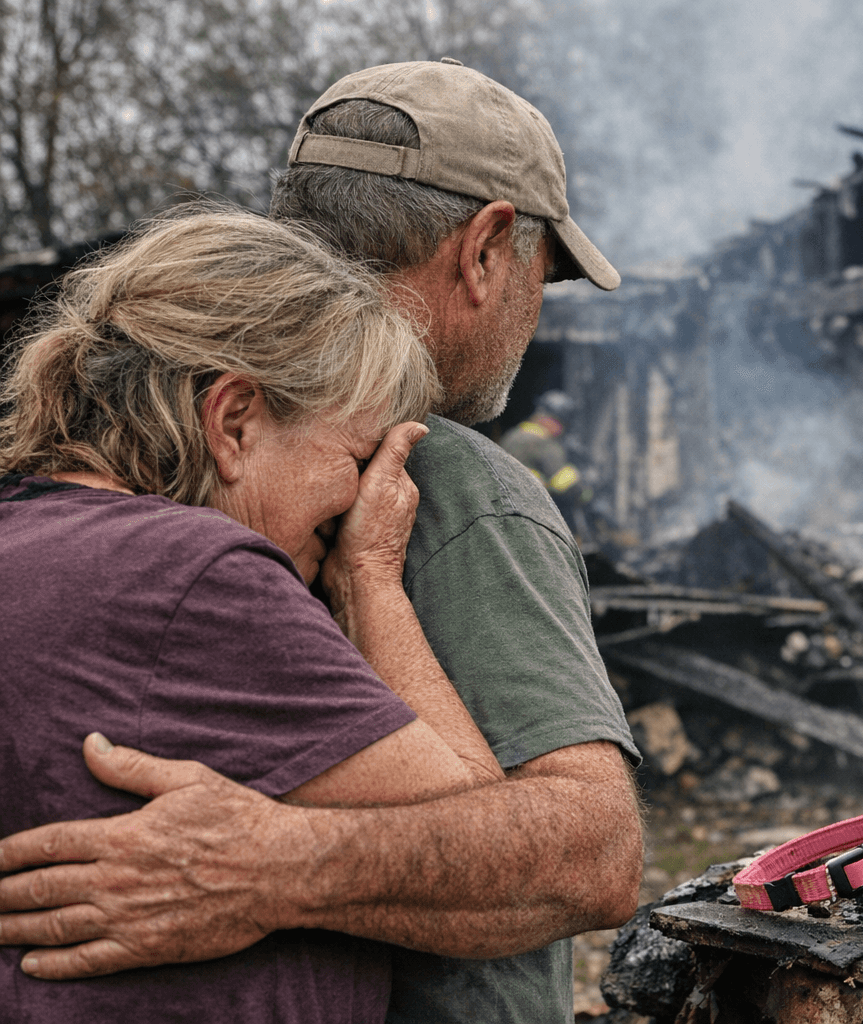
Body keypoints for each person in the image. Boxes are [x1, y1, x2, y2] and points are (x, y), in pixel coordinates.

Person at [0, 60, 643, 1024]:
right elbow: (591, 856)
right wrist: (269, 864)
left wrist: (269, 861)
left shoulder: (43, 525)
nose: (354, 495)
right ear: (487, 247)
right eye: (542, 277)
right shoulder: (440, 483)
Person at [0, 206, 506, 1021]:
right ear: (234, 421)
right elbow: (486, 846)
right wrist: (369, 576)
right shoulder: (193, 573)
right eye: (355, 456)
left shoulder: (28, 539)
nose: (360, 496)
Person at [501, 390, 594, 537]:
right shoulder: (543, 442)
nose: (562, 430)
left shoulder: (512, 436)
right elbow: (562, 483)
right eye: (563, 424)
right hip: (533, 517)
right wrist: (585, 492)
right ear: (554, 421)